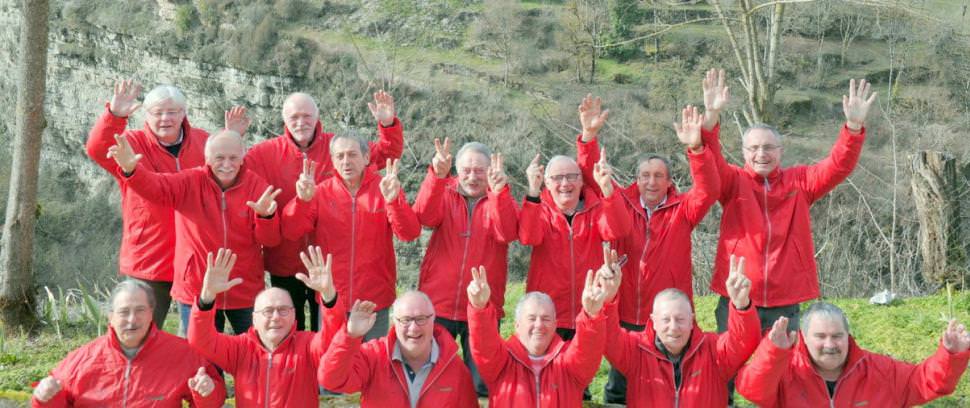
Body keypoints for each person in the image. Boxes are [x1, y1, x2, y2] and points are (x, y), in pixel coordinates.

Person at [700, 70, 878, 333]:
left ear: (781, 151)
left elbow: (838, 166)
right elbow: (709, 160)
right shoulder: (732, 181)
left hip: (784, 301)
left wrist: (852, 128)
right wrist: (712, 116)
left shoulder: (800, 182)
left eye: (769, 147)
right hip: (736, 295)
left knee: (783, 370)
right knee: (730, 370)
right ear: (743, 152)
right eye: (754, 148)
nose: (762, 154)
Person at [575, 97, 721, 403]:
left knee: (665, 380)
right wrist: (588, 138)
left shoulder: (683, 210)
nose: (651, 182)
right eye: (645, 176)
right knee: (620, 380)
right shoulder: (620, 201)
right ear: (636, 179)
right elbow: (592, 179)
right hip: (625, 308)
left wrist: (696, 149)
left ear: (669, 181)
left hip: (666, 314)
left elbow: (708, 189)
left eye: (658, 176)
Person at [86, 80, 249, 329]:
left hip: (195, 260)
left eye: (172, 112)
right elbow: (97, 149)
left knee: (196, 335)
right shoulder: (132, 144)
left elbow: (228, 172)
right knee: (140, 330)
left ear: (183, 113)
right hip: (149, 257)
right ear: (146, 116)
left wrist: (230, 138)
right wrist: (114, 115)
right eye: (157, 112)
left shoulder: (203, 142)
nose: (165, 119)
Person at [245, 91, 403, 331]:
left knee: (326, 334)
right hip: (287, 263)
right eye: (294, 117)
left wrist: (388, 124)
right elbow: (230, 170)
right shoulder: (263, 154)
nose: (301, 122)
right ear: (284, 119)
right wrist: (231, 136)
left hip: (331, 267)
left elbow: (386, 154)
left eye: (307, 116)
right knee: (289, 334)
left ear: (317, 117)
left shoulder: (338, 148)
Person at [108, 129, 281, 335]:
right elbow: (155, 187)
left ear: (243, 157)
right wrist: (131, 170)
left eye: (233, 158)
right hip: (197, 287)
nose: (227, 164)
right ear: (207, 158)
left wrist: (266, 217)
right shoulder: (190, 182)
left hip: (242, 288)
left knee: (255, 354)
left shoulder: (257, 187)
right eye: (219, 158)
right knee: (198, 358)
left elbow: (270, 240)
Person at [283, 132, 421, 341]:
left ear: (366, 158)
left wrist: (393, 202)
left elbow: (409, 234)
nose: (346, 161)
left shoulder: (385, 188)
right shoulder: (319, 192)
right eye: (340, 156)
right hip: (332, 297)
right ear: (333, 161)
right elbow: (292, 231)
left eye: (352, 155)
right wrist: (302, 201)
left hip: (373, 299)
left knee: (372, 364)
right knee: (332, 363)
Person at [411, 138, 519, 396]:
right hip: (438, 303)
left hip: (482, 307)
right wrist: (436, 177)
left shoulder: (501, 198)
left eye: (480, 171)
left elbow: (507, 232)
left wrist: (498, 194)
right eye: (466, 170)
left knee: (482, 383)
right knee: (431, 380)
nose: (473, 177)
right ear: (457, 170)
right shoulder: (443, 190)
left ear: (490, 172)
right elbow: (424, 217)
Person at [602, 250, 761, 407]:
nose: (673, 327)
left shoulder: (714, 352)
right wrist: (608, 299)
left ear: (692, 320)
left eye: (680, 319)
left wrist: (741, 304)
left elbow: (743, 342)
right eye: (665, 319)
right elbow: (607, 339)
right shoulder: (636, 351)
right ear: (654, 321)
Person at [187, 246, 344, 406]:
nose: (275, 317)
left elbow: (335, 340)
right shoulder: (240, 348)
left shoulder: (307, 346)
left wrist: (329, 294)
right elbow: (201, 340)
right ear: (254, 318)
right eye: (268, 311)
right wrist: (206, 297)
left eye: (283, 310)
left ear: (293, 315)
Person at [31, 280, 225, 407]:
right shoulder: (81, 360)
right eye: (124, 312)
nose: (132, 320)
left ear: (151, 313)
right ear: (111, 317)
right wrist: (43, 397)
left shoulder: (183, 353)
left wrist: (207, 392)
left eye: (140, 310)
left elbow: (213, 402)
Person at [737, 302, 970, 407]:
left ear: (848, 335)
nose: (830, 344)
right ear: (803, 338)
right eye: (820, 336)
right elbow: (751, 390)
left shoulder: (880, 371)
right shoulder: (786, 373)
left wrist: (950, 355)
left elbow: (926, 381)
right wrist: (774, 354)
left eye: (837, 335)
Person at [518, 148, 631, 337]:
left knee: (583, 364)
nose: (565, 183)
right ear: (547, 182)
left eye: (571, 176)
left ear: (581, 181)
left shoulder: (594, 208)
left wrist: (607, 188)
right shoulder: (538, 208)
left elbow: (619, 229)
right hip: (547, 313)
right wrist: (532, 191)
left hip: (587, 308)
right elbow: (528, 237)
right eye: (557, 178)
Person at [466, 262, 610, 407]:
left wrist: (592, 314)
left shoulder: (569, 364)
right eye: (532, 318)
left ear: (555, 325)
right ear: (517, 325)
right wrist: (480, 309)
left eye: (546, 319)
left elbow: (588, 351)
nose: (539, 325)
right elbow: (484, 344)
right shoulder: (501, 363)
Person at [320, 291, 479, 407]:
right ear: (394, 322)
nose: (413, 328)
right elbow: (331, 380)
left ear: (433, 320)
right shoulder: (374, 355)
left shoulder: (455, 369)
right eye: (406, 320)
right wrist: (350, 336)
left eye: (421, 319)